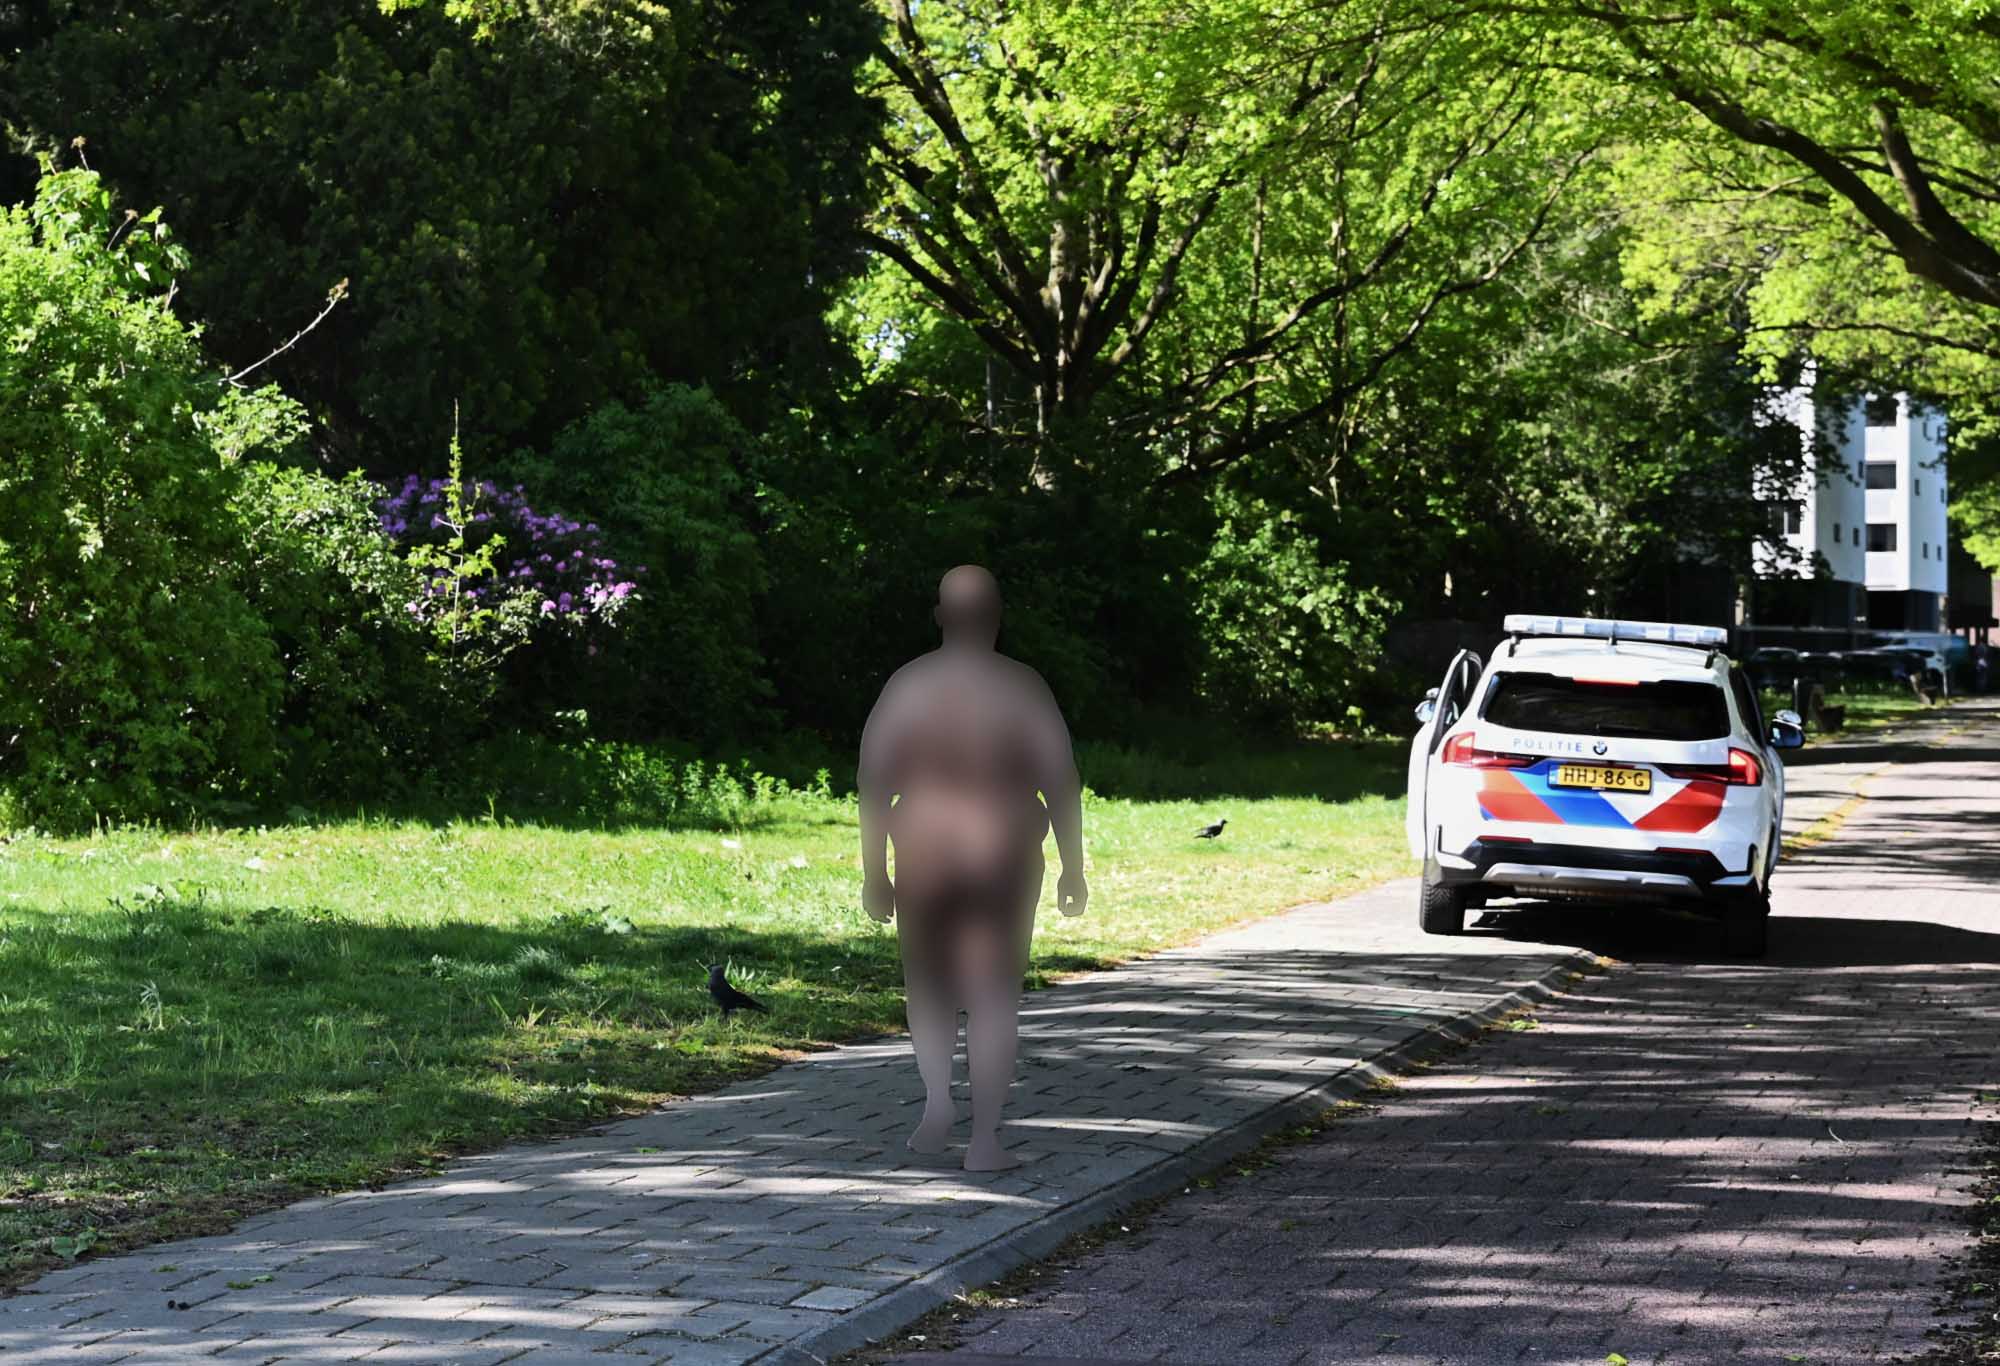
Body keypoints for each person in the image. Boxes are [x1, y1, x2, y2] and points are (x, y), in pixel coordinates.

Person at [856, 565, 1087, 1172]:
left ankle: (936, 1106)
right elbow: (1061, 780)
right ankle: (985, 1141)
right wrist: (1073, 867)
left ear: (940, 616)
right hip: (1002, 851)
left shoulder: (907, 685)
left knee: (927, 984)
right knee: (993, 994)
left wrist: (874, 871)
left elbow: (873, 782)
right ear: (996, 616)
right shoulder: (1023, 686)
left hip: (924, 851)